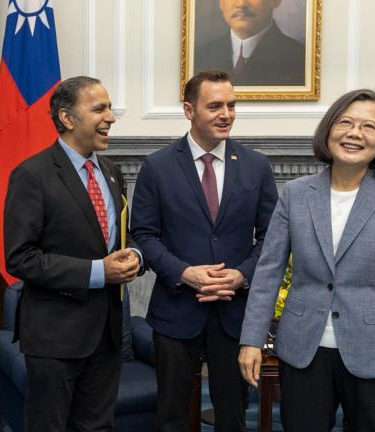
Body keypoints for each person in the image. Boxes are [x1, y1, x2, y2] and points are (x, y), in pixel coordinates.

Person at [238, 89, 375, 432]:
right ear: (329, 130)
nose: (355, 133)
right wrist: (251, 339)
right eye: (346, 122)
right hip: (303, 351)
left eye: (369, 126)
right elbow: (267, 273)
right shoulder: (295, 194)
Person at [130, 70, 278, 431]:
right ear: (188, 110)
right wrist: (185, 272)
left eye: (231, 105)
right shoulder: (158, 166)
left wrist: (242, 273)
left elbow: (274, 238)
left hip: (235, 312)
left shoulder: (256, 165)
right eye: (214, 106)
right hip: (177, 310)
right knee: (172, 415)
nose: (225, 113)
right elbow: (144, 236)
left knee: (234, 415)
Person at [4, 76, 143, 432]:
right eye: (99, 108)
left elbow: (117, 241)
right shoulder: (31, 175)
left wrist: (131, 259)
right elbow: (20, 257)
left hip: (106, 335)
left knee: (97, 427)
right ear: (67, 118)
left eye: (110, 108)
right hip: (55, 336)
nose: (111, 117)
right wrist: (99, 272)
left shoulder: (112, 174)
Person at [195, 0, 305, 86]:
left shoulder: (300, 58)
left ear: (276, 1)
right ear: (221, 3)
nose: (241, 3)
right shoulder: (199, 55)